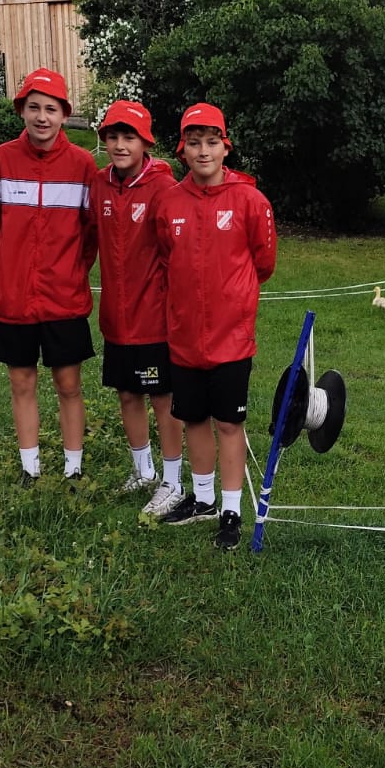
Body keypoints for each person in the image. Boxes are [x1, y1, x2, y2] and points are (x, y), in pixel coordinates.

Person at [153, 102, 277, 551]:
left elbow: (263, 263)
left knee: (229, 423)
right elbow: (166, 258)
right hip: (184, 337)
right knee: (193, 419)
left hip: (231, 340)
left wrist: (233, 298)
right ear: (182, 149)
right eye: (193, 143)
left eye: (211, 142)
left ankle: (231, 509)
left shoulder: (250, 201)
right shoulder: (169, 202)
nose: (202, 151)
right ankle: (202, 499)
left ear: (226, 148)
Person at [0, 68, 98, 483]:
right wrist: (12, 266)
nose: (42, 117)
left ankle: (73, 469)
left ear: (65, 114)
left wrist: (68, 271)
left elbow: (90, 235)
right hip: (12, 299)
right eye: (34, 108)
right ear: (22, 111)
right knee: (21, 382)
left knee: (68, 384)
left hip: (63, 298)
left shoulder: (83, 165)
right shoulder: (0, 159)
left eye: (51, 109)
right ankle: (30, 469)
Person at [93, 99, 185, 520]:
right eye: (112, 136)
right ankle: (143, 471)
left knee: (162, 398)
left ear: (145, 142)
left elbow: (177, 252)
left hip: (154, 319)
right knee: (128, 394)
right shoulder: (99, 184)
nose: (119, 144)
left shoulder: (164, 188)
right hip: (116, 317)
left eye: (128, 136)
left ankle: (173, 481)